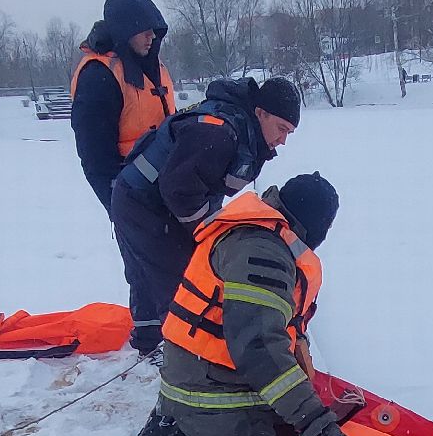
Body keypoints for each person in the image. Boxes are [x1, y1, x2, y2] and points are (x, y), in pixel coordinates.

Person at [90, 174, 356, 436]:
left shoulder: (265, 237)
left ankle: (182, 431)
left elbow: (279, 330)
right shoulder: (262, 253)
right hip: (207, 388)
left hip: (205, 375)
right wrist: (320, 430)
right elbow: (260, 351)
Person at [108, 75, 301, 357]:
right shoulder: (217, 132)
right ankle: (182, 359)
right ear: (260, 113)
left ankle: (150, 345)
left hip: (154, 201)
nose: (282, 140)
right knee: (180, 281)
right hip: (141, 202)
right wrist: (207, 234)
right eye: (281, 128)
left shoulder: (242, 131)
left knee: (153, 273)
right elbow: (180, 191)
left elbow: (205, 185)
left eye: (289, 133)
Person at [70, 0, 175, 210]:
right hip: (134, 196)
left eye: (154, 30)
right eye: (144, 30)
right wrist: (121, 207)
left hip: (170, 189)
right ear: (125, 30)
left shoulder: (155, 68)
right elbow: (96, 157)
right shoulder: (98, 76)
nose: (151, 36)